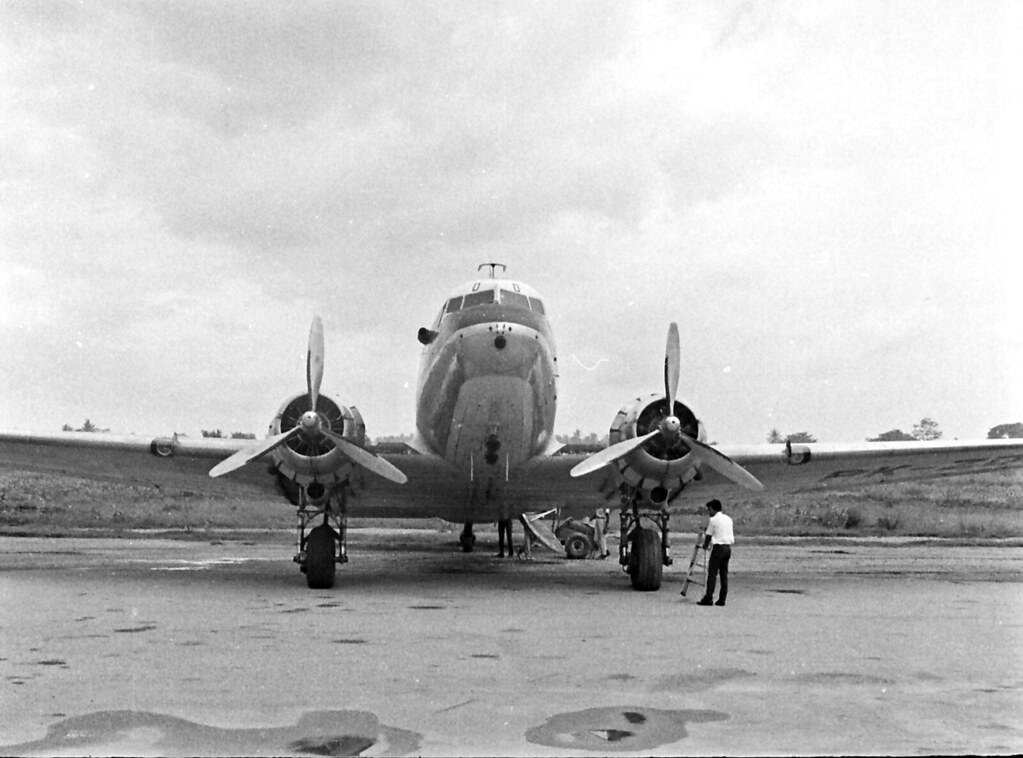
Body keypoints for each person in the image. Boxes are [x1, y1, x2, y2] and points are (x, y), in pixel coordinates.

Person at [697, 499, 733, 606]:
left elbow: (708, 536)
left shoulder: (713, 520)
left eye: (709, 510)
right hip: (728, 548)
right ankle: (722, 599)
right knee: (724, 575)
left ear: (713, 509)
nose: (709, 512)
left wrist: (704, 546)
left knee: (712, 574)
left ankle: (708, 598)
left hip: (718, 548)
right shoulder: (728, 519)